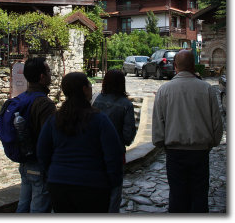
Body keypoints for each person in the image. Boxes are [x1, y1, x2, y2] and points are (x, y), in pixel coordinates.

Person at [37, 72, 123, 213]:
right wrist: (113, 182)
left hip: (59, 184)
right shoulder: (99, 120)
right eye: (89, 86)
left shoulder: (54, 119)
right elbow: (113, 154)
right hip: (92, 184)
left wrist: (53, 172)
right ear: (84, 89)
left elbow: (42, 151)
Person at [152, 49, 223, 213]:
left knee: (177, 195)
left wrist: (161, 143)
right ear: (193, 66)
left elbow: (158, 123)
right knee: (199, 195)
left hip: (175, 152)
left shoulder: (164, 90)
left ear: (175, 66)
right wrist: (212, 142)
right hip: (200, 152)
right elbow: (217, 123)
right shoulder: (206, 89)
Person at [16, 57, 56, 213]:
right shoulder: (44, 104)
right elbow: (49, 138)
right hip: (39, 164)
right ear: (42, 77)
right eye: (48, 71)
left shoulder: (22, 98)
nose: (50, 74)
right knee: (39, 209)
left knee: (23, 204)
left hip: (25, 161)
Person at [92, 69, 136, 213]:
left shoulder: (97, 100)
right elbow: (128, 136)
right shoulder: (126, 105)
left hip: (96, 153)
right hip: (116, 153)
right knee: (114, 192)